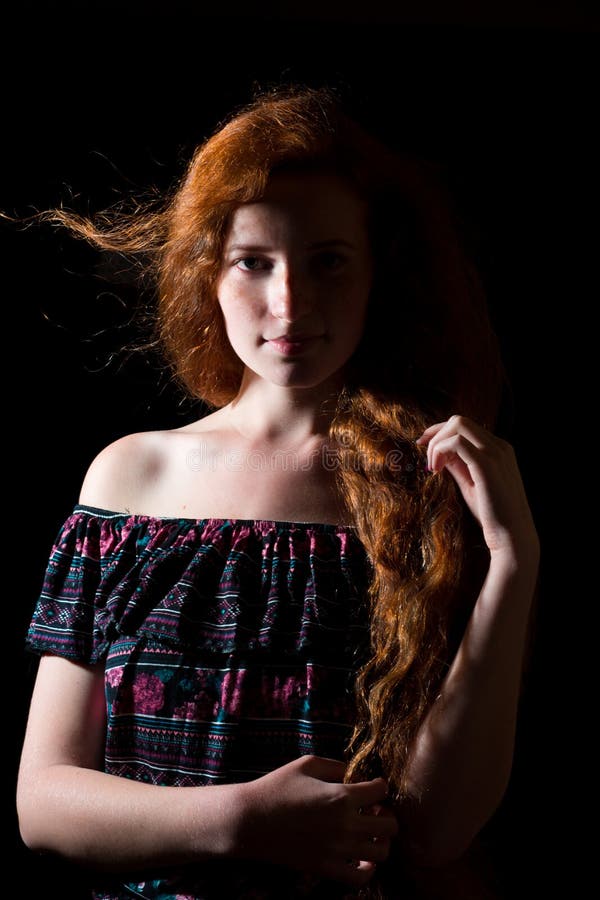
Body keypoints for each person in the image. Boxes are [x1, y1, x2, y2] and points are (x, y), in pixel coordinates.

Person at [16, 85, 540, 900]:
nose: (289, 303)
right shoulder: (127, 478)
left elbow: (438, 831)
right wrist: (242, 821)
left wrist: (513, 560)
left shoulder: (432, 485)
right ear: (208, 274)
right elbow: (44, 804)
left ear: (378, 276)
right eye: (254, 262)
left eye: (328, 261)